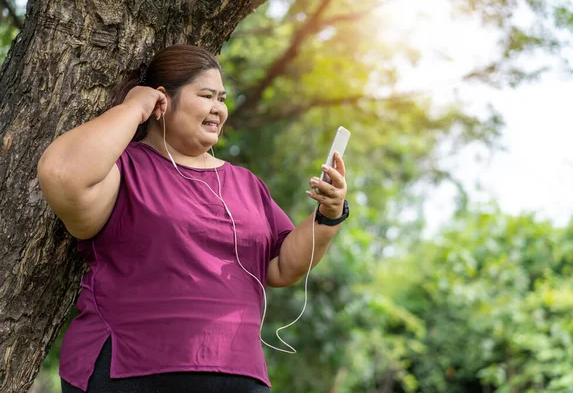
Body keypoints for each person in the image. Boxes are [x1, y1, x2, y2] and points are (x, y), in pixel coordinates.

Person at [37, 45, 350, 393]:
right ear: (162, 101)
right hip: (128, 372)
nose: (219, 109)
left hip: (240, 374)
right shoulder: (123, 169)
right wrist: (134, 107)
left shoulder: (246, 184)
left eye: (222, 98)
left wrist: (329, 214)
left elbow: (281, 267)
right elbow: (62, 173)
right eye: (206, 96)